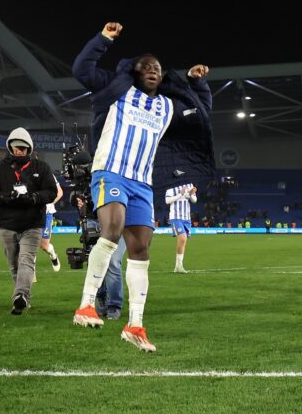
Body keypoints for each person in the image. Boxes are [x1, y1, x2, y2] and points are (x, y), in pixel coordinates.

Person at [70, 21, 213, 353]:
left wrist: (196, 82)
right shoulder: (116, 91)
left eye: (158, 68)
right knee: (111, 229)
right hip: (111, 172)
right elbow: (82, 69)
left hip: (143, 183)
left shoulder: (165, 106)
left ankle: (135, 324)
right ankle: (86, 305)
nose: (153, 71)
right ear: (134, 71)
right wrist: (103, 39)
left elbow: (200, 113)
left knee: (141, 251)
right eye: (146, 66)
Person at [0, 128, 59, 314]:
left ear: (29, 148)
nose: (19, 151)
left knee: (26, 260)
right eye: (16, 147)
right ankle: (22, 297)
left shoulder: (42, 168)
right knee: (14, 264)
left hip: (32, 224)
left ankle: (20, 296)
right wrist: (6, 197)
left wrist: (34, 198)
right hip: (6, 223)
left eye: (23, 148)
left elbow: (52, 192)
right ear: (10, 147)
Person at [165, 183, 197, 274]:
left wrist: (191, 194)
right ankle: (179, 266)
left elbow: (194, 200)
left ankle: (178, 266)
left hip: (186, 218)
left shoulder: (190, 186)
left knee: (183, 240)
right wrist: (180, 194)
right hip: (175, 217)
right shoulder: (171, 189)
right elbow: (167, 201)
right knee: (182, 238)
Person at [39, 176, 65, 272]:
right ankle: (30, 274)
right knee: (29, 243)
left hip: (46, 214)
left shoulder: (47, 173)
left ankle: (53, 256)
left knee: (44, 245)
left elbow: (60, 192)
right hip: (30, 214)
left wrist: (49, 204)